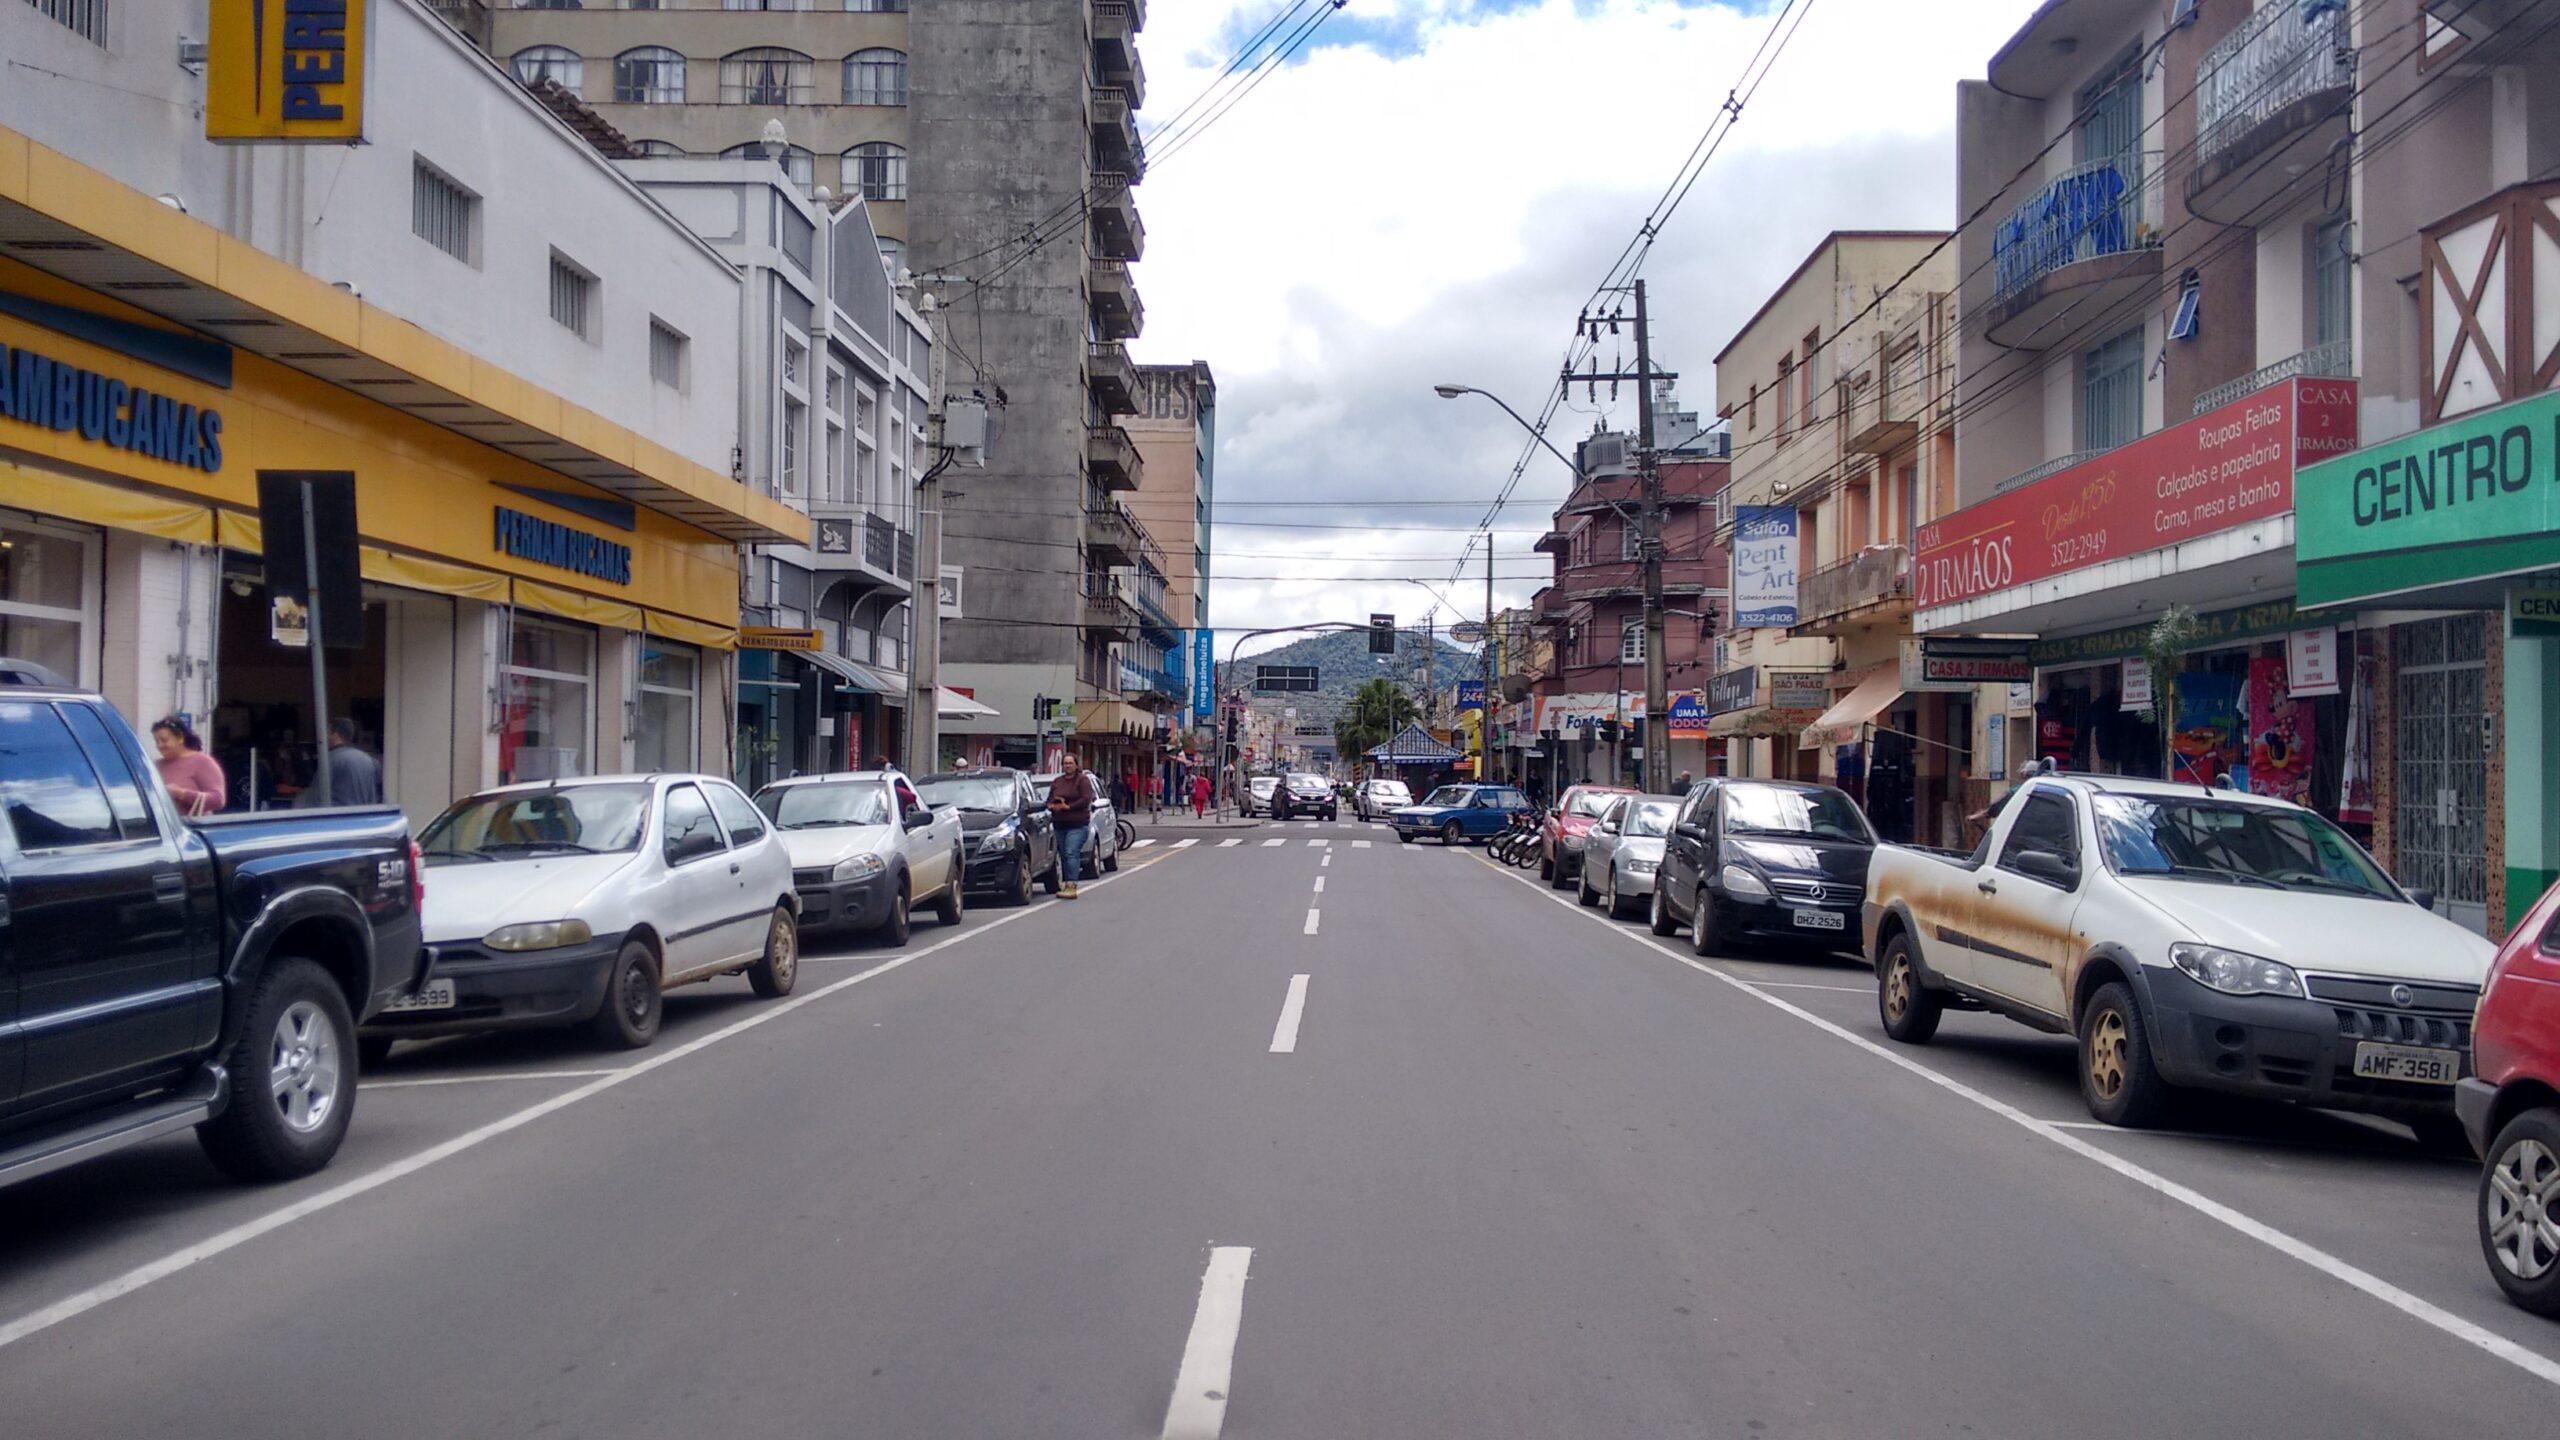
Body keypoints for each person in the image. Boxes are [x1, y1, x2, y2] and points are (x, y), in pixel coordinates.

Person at [1044, 752, 1100, 899]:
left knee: (1071, 852)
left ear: (1076, 765)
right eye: (1065, 763)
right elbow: (1049, 800)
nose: (1068, 766)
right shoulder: (1057, 782)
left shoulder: (1083, 780)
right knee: (1063, 855)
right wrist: (1052, 806)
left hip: (1078, 824)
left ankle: (1072, 885)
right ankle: (1065, 882)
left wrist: (1068, 807)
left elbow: (1085, 799)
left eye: (1070, 763)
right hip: (1060, 824)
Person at [151, 716, 227, 817]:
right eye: (157, 742)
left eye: (164, 740)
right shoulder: (155, 766)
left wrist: (182, 794)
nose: (160, 746)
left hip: (191, 824)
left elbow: (218, 800)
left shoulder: (203, 762)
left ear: (180, 738)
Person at [297, 718, 383, 807]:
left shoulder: (330, 759)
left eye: (328, 733)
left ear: (335, 735)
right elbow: (378, 793)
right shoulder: (371, 760)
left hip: (340, 814)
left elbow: (316, 797)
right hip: (365, 813)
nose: (325, 737)